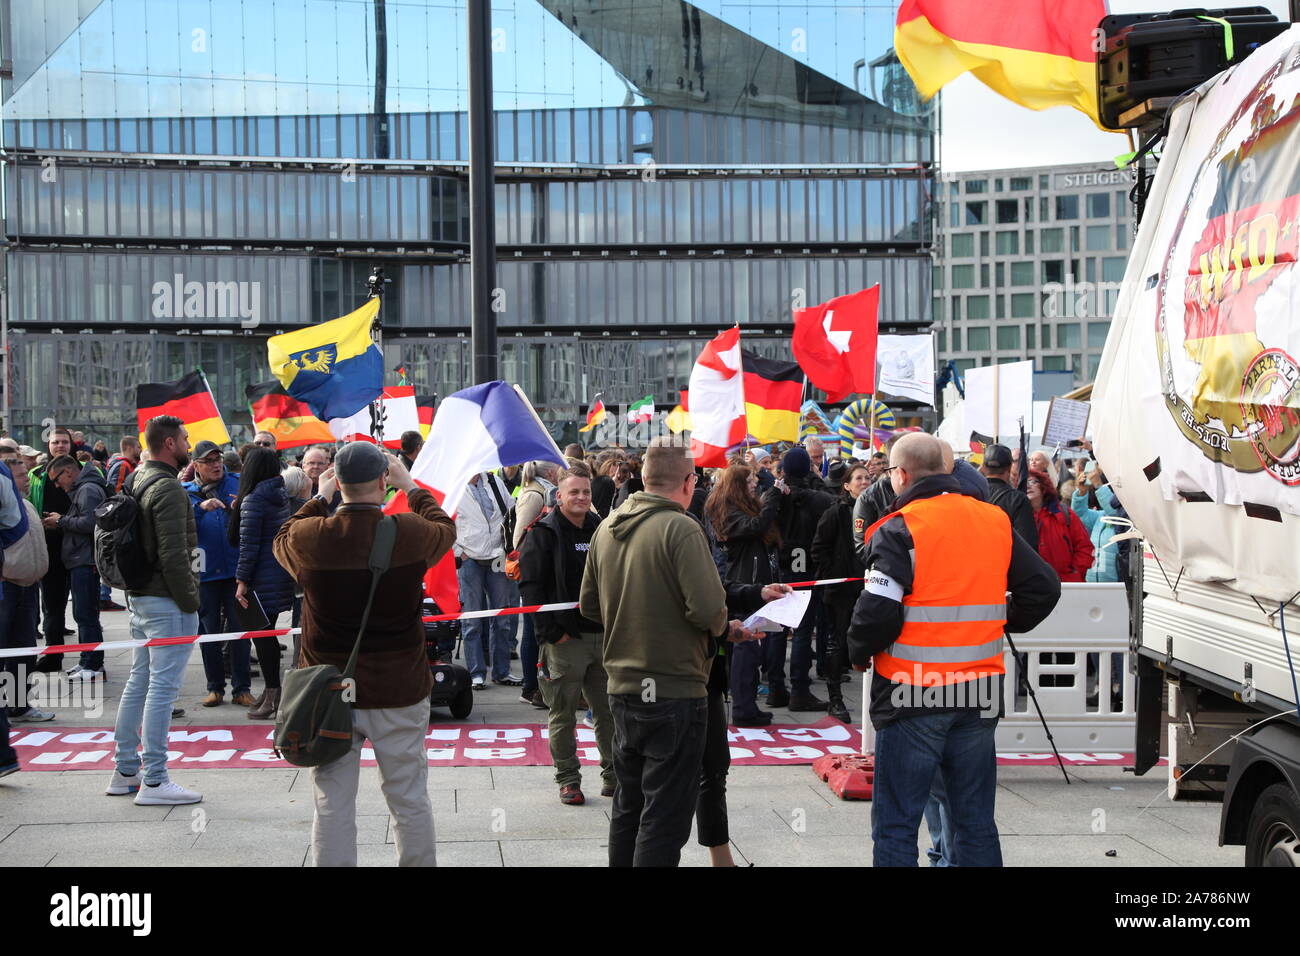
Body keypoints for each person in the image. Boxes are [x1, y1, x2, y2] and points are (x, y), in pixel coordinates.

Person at [847, 434, 1060, 867]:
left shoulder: (897, 528)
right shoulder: (993, 520)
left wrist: (856, 650)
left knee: (897, 823)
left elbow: (876, 613)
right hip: (977, 690)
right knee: (974, 819)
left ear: (901, 475)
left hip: (912, 691)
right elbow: (1043, 588)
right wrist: (1001, 620)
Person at [274, 444, 456, 867]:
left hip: (329, 691)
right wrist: (410, 486)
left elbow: (281, 536)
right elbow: (444, 528)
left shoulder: (310, 536)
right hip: (399, 687)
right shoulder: (409, 532)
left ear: (337, 482)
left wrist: (319, 498)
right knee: (408, 797)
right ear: (382, 482)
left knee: (332, 802)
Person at [580, 436, 746, 867]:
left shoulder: (606, 527)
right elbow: (709, 609)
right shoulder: (681, 527)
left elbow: (589, 607)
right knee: (665, 817)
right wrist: (723, 627)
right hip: (674, 689)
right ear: (689, 482)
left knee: (628, 808)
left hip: (623, 686)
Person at [107, 415, 204, 806]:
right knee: (161, 690)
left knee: (140, 682)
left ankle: (126, 770)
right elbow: (174, 555)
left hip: (141, 596)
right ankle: (155, 780)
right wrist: (192, 601)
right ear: (169, 444)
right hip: (165, 600)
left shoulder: (139, 478)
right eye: (184, 438)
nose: (188, 443)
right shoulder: (167, 487)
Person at [518, 469, 614, 805]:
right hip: (564, 642)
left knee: (609, 712)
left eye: (586, 492)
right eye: (574, 492)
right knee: (562, 715)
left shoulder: (601, 529)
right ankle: (568, 780)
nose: (582, 498)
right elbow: (531, 588)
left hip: (603, 638)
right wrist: (551, 633)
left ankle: (614, 777)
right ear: (558, 497)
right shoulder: (543, 533)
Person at [704, 463, 782, 726]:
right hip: (739, 585)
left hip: (748, 582)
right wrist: (773, 498)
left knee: (750, 646)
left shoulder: (736, 505)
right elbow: (755, 526)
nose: (755, 482)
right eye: (750, 479)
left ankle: (745, 704)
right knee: (745, 647)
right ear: (738, 484)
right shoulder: (726, 510)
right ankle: (743, 708)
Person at [227, 447, 295, 719]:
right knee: (266, 635)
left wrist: (241, 581)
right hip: (277, 575)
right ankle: (272, 694)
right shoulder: (278, 495)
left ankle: (273, 696)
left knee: (261, 636)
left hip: (259, 578)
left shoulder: (254, 499)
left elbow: (248, 546)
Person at [767, 446, 834, 712]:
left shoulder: (774, 497)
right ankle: (800, 689)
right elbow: (833, 506)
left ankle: (775, 687)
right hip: (807, 572)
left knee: (777, 631)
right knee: (804, 631)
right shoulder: (820, 499)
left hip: (780, 570)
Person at [184, 440, 251, 708]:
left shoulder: (238, 483)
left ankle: (242, 688)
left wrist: (243, 507)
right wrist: (198, 510)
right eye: (208, 461)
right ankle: (215, 688)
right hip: (204, 573)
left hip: (237, 571)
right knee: (209, 632)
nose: (215, 465)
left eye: (217, 459)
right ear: (196, 465)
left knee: (240, 631)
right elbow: (178, 523)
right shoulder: (186, 491)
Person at [811, 462, 870, 723]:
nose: (864, 482)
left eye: (867, 477)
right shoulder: (835, 513)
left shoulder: (877, 510)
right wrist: (834, 573)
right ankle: (835, 698)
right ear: (846, 485)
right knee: (837, 642)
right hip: (840, 589)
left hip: (869, 587)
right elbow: (818, 549)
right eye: (858, 478)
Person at [41, 455, 108, 681]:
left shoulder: (87, 489)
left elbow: (91, 524)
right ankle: (87, 660)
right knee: (83, 613)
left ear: (68, 472)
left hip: (85, 560)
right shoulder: (84, 488)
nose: (58, 485)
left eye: (57, 480)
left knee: (86, 614)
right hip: (81, 559)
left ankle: (94, 664)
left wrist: (61, 521)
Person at [0, 453, 53, 727]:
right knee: (2, 651)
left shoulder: (28, 507)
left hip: (29, 588)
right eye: (21, 477)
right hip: (6, 587)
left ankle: (19, 706)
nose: (26, 481)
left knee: (23, 651)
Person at [454, 471, 520, 689]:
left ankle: (502, 672)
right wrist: (457, 551)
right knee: (472, 620)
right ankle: (476, 673)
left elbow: (511, 510)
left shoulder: (494, 481)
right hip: (470, 558)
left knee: (502, 618)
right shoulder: (454, 484)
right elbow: (442, 518)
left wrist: (507, 546)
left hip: (497, 556)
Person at [513, 460, 561, 706]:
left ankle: (536, 686)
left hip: (543, 568)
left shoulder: (542, 491)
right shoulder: (535, 494)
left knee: (537, 630)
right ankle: (531, 687)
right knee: (533, 632)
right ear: (551, 473)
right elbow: (518, 537)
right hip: (534, 570)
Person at [28, 426, 76, 672]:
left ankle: (92, 661)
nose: (59, 446)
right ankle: (53, 654)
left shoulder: (89, 472)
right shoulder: (37, 475)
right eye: (55, 442)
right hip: (49, 551)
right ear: (48, 445)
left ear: (71, 445)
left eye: (64, 442)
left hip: (80, 549)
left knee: (85, 610)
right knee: (52, 606)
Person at [1027, 469, 1093, 583]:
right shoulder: (1018, 516)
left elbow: (1084, 547)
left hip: (1067, 586)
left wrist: (1074, 574)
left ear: (1043, 486)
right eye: (1024, 482)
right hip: (1034, 588)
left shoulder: (1064, 513)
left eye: (1033, 481)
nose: (1028, 486)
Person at [980, 444, 1038, 549]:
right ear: (1010, 468)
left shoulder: (970, 496)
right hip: (1004, 562)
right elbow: (1027, 546)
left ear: (983, 467)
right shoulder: (1017, 499)